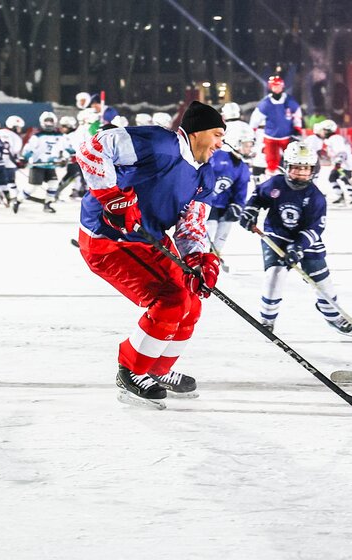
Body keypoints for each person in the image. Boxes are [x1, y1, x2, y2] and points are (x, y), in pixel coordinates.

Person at [75, 100, 225, 407]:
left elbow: (192, 223)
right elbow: (92, 148)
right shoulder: (160, 144)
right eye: (217, 134)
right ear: (197, 132)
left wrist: (199, 259)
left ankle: (157, 369)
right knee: (172, 299)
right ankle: (131, 371)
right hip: (109, 238)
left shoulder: (204, 176)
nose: (220, 144)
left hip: (149, 238)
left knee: (191, 302)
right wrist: (112, 196)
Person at [239, 141, 352, 336]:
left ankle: (333, 315)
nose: (301, 173)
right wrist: (250, 211)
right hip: (277, 236)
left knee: (322, 280)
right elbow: (258, 196)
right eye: (296, 167)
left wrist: (298, 247)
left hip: (305, 241)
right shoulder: (275, 184)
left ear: (313, 170)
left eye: (305, 168)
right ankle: (267, 319)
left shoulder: (316, 196)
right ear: (286, 166)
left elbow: (315, 228)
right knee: (275, 275)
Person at [207, 125, 253, 255]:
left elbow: (241, 191)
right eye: (246, 145)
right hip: (206, 202)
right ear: (235, 143)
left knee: (225, 227)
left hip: (223, 205)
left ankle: (215, 255)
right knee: (210, 227)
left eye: (250, 145)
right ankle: (201, 254)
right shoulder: (216, 156)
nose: (249, 148)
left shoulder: (243, 167)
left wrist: (237, 205)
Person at [14, 111, 70, 214]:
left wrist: (65, 158)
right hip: (38, 166)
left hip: (50, 166)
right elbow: (29, 149)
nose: (48, 124)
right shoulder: (37, 136)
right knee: (32, 187)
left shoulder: (60, 136)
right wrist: (24, 158)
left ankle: (47, 204)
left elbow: (67, 148)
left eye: (50, 121)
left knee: (53, 184)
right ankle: (18, 200)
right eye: (46, 122)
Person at [249, 75, 303, 175]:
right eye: (274, 86)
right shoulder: (266, 103)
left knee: (292, 159)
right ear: (270, 87)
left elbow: (297, 114)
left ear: (282, 87)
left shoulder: (290, 101)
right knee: (271, 162)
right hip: (270, 137)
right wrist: (251, 131)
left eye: (278, 86)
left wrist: (297, 128)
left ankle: (292, 177)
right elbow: (255, 119)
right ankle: (272, 180)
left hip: (287, 136)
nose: (276, 88)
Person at [313, 119, 352, 205]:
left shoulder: (335, 138)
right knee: (332, 178)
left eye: (322, 130)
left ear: (327, 130)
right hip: (340, 164)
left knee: (344, 178)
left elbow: (342, 152)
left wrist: (338, 162)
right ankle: (340, 195)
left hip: (345, 164)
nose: (320, 132)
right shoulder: (331, 139)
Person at [0, 115, 25, 205]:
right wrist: (19, 162)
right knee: (10, 180)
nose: (20, 130)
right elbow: (15, 152)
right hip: (9, 162)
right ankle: (14, 196)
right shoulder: (16, 137)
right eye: (18, 127)